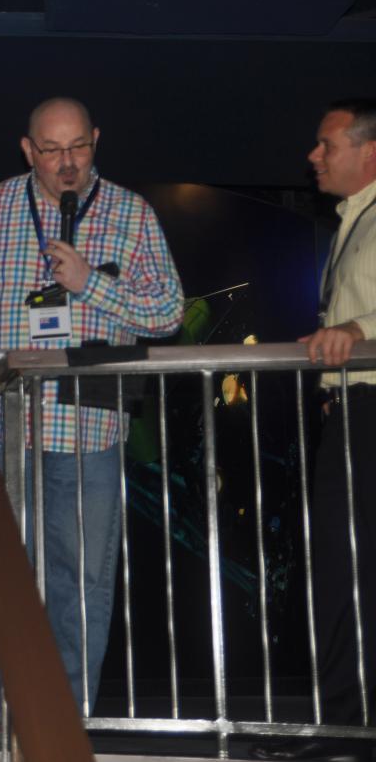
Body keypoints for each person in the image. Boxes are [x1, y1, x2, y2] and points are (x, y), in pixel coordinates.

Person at [0, 97, 183, 712]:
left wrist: (91, 283)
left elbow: (169, 311)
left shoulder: (131, 213)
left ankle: (66, 722)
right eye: (52, 151)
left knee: (83, 583)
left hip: (89, 429)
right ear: (27, 150)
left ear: (96, 139)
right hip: (1, 428)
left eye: (79, 148)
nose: (67, 163)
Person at [252, 99, 376, 761]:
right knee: (345, 573)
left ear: (370, 151)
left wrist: (358, 329)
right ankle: (348, 728)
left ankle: (347, 733)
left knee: (349, 573)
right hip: (351, 412)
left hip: (370, 409)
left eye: (326, 144)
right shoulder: (353, 221)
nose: (313, 156)